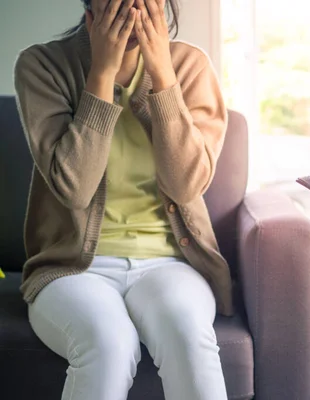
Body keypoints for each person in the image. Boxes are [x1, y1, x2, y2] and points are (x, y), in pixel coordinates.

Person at [14, 0, 231, 399]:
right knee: (109, 344)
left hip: (170, 263)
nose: (133, 11)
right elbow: (74, 189)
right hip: (72, 269)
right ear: (90, 6)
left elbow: (186, 187)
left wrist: (163, 74)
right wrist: (101, 74)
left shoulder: (191, 66)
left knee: (189, 337)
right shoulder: (42, 65)